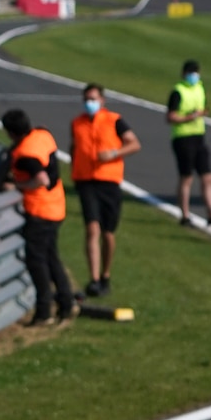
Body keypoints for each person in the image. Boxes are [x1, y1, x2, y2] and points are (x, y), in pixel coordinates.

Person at [1, 109, 75, 325]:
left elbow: (41, 178)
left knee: (37, 262)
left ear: (11, 132)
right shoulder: (42, 134)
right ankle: (67, 303)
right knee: (52, 258)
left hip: (39, 211)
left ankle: (44, 312)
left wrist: (17, 185)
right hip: (56, 206)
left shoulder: (25, 155)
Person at [70, 84, 141, 297]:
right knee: (92, 228)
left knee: (108, 232)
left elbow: (134, 143)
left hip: (108, 180)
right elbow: (75, 147)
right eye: (86, 99)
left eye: (93, 99)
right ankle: (93, 279)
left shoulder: (114, 120)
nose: (89, 103)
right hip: (85, 181)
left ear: (102, 100)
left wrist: (114, 153)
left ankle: (105, 274)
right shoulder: (77, 123)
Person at [165, 59, 211, 227]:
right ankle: (185, 215)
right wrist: (190, 117)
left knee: (208, 177)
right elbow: (170, 117)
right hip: (182, 138)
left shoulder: (200, 88)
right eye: (191, 73)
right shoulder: (178, 91)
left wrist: (201, 114)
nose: (194, 76)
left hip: (199, 137)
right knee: (187, 177)